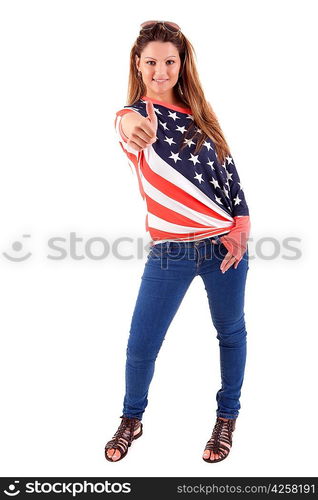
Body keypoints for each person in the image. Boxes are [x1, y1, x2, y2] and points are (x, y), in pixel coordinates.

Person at [105, 20, 251, 464]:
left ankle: (226, 418)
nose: (161, 70)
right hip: (171, 252)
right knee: (142, 343)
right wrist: (134, 125)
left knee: (230, 332)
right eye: (151, 62)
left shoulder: (202, 115)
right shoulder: (133, 117)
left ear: (182, 63)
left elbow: (229, 176)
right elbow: (127, 127)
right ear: (138, 64)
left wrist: (241, 225)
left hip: (223, 247)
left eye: (170, 61)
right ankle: (132, 418)